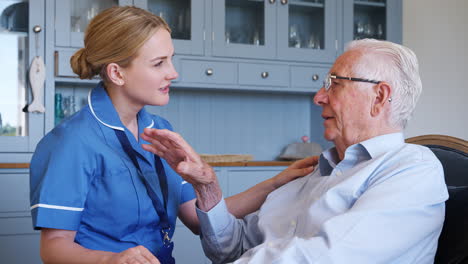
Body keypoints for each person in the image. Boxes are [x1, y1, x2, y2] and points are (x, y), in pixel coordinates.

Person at [29, 6, 317, 264]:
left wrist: (276, 183)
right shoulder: (70, 143)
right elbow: (53, 248)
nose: (173, 73)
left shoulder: (160, 129)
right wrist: (113, 260)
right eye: (159, 63)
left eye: (171, 60)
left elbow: (197, 217)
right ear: (117, 73)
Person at [141, 39, 449, 263]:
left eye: (335, 84)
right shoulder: (312, 171)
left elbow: (327, 258)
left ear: (379, 96)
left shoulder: (412, 170)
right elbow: (229, 250)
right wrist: (207, 186)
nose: (318, 97)